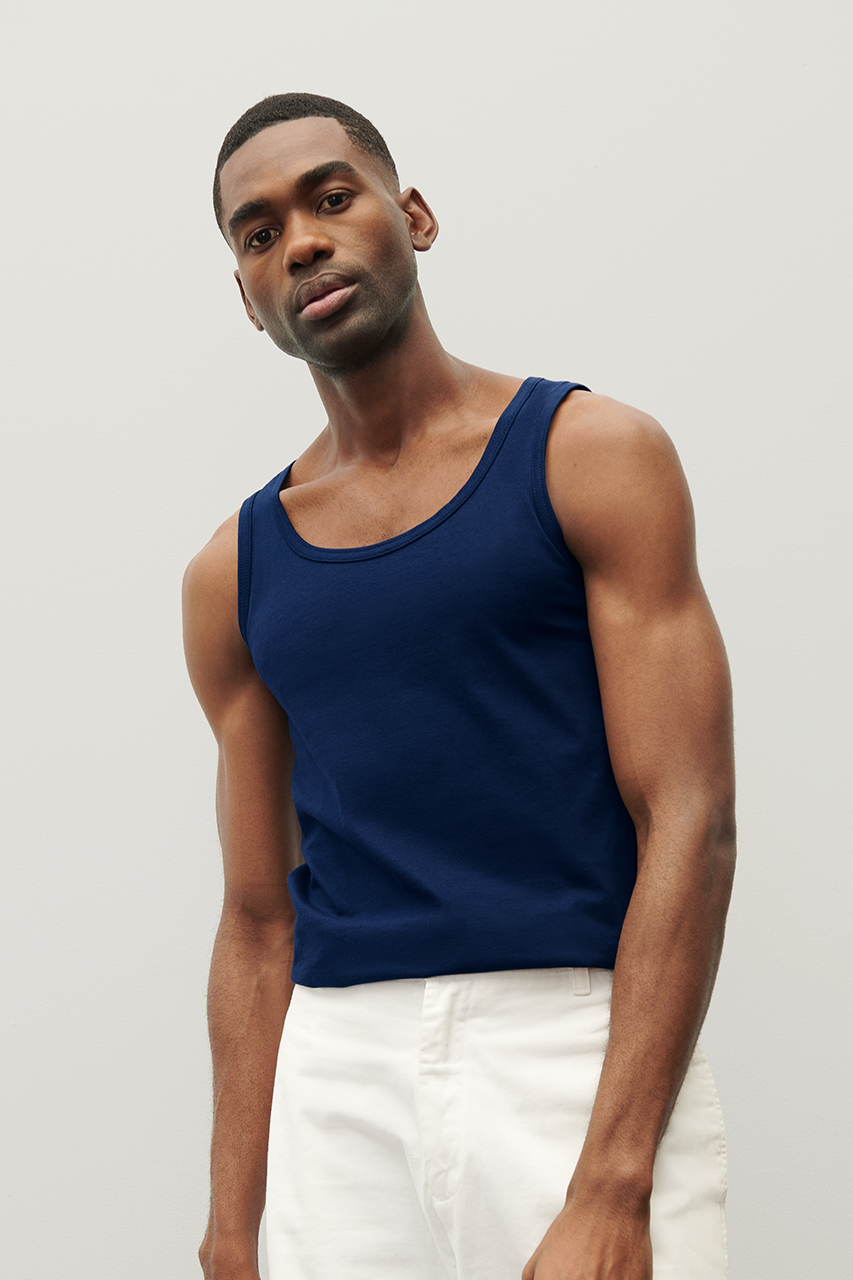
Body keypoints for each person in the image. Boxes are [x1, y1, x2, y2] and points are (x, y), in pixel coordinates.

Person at [182, 92, 736, 1280]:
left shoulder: (589, 456)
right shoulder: (233, 572)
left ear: (415, 217)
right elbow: (257, 917)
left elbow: (688, 816)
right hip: (338, 1075)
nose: (302, 243)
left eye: (332, 198)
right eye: (259, 233)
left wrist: (613, 1179)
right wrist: (231, 1226)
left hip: (571, 1042)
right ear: (247, 297)